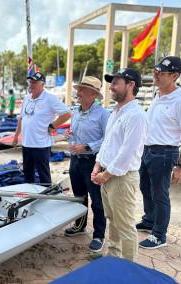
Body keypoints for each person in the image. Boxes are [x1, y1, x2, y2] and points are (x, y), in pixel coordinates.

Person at [91, 68, 148, 262]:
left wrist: (105, 175)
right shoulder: (116, 111)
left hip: (122, 178)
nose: (111, 87)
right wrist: (97, 165)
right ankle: (113, 260)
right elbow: (108, 143)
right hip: (108, 175)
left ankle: (129, 269)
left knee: (125, 226)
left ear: (131, 85)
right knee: (113, 221)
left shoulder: (136, 115)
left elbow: (127, 152)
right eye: (111, 82)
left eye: (116, 82)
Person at [137, 56, 181, 249]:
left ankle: (159, 235)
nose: (155, 75)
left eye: (161, 73)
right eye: (155, 71)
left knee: (160, 194)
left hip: (165, 153)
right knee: (145, 188)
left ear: (175, 75)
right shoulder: (158, 95)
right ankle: (149, 220)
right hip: (148, 150)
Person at [64, 76, 110, 253]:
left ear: (93, 94)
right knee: (79, 197)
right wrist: (71, 136)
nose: (78, 93)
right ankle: (80, 226)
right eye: (79, 89)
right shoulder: (76, 112)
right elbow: (74, 134)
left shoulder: (103, 114)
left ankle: (99, 235)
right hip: (75, 161)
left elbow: (108, 139)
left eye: (82, 90)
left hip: (93, 162)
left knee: (97, 201)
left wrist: (87, 146)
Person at [13, 72, 71, 184]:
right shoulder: (26, 98)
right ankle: (30, 195)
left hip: (41, 145)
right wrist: (16, 136)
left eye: (35, 82)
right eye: (31, 82)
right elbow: (21, 118)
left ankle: (47, 197)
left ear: (42, 84)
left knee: (43, 175)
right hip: (26, 144)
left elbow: (67, 114)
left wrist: (53, 125)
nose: (32, 84)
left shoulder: (50, 98)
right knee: (27, 174)